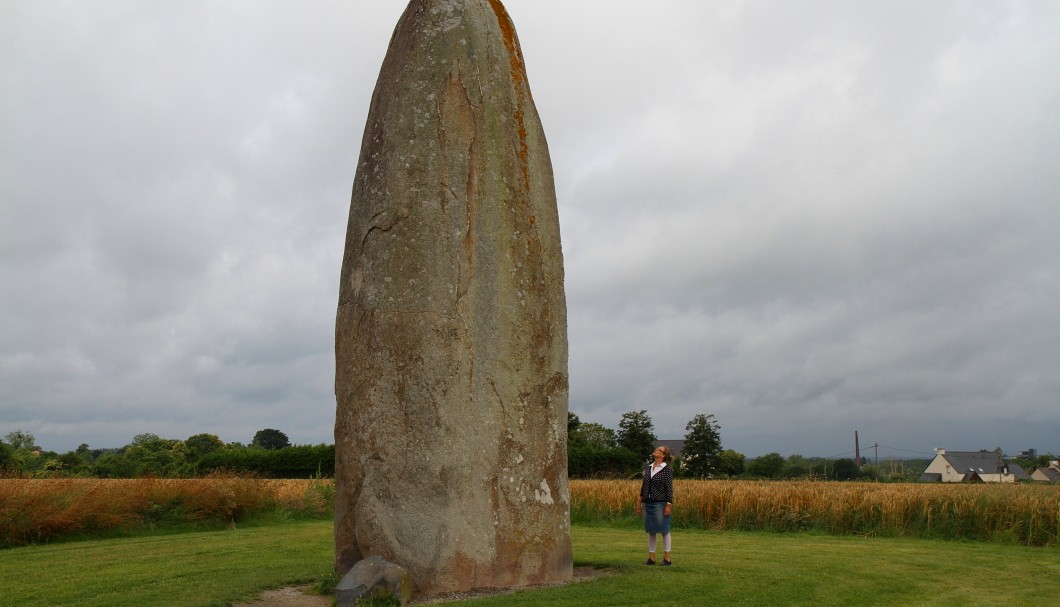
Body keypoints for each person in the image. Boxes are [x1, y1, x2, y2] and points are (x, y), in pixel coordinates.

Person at [635, 445, 674, 565]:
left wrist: (668, 504)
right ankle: (651, 558)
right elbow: (644, 486)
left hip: (660, 503)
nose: (656, 450)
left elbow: (669, 489)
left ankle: (667, 558)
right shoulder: (649, 468)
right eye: (656, 449)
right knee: (651, 530)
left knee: (664, 530)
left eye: (659, 450)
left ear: (663, 456)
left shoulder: (666, 470)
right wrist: (639, 502)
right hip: (648, 503)